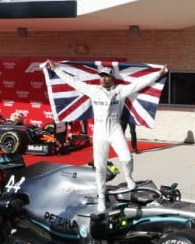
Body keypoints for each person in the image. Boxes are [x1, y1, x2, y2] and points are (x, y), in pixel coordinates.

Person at [45, 61, 167, 212]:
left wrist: (158, 74)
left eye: (106, 76)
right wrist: (56, 69)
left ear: (112, 78)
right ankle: (101, 198)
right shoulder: (93, 90)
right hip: (100, 132)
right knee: (100, 167)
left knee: (127, 158)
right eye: (101, 76)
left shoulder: (120, 90)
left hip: (115, 129)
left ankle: (129, 177)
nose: (102, 79)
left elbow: (139, 83)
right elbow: (73, 81)